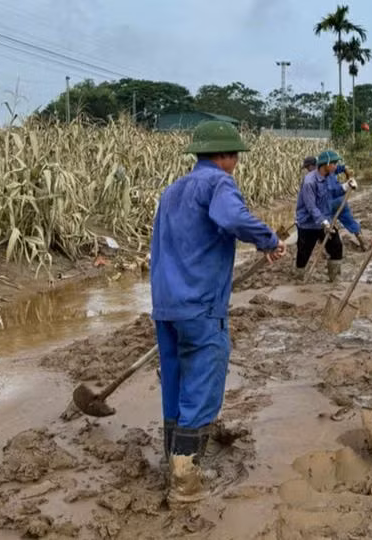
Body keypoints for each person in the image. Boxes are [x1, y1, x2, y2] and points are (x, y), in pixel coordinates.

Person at [150, 121, 286, 504]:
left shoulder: (173, 190)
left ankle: (172, 459)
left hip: (166, 305)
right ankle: (185, 480)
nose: (236, 164)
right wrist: (268, 240)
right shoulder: (218, 184)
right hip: (201, 305)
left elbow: (159, 245)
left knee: (174, 383)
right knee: (202, 384)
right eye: (235, 157)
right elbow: (232, 218)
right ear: (226, 157)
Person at [295, 150, 357, 281]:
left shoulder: (328, 176)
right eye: (334, 163)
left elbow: (332, 193)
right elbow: (311, 207)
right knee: (303, 253)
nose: (336, 166)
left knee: (336, 246)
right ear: (326, 164)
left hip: (326, 220)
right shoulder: (309, 182)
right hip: (308, 224)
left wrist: (345, 187)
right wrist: (323, 221)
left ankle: (334, 278)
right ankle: (299, 277)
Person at [303, 156, 365, 249]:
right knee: (349, 220)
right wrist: (347, 172)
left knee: (325, 225)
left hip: (328, 204)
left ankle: (328, 246)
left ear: (313, 165)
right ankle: (360, 238)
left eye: (308, 167)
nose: (308, 170)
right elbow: (342, 168)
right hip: (340, 200)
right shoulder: (329, 168)